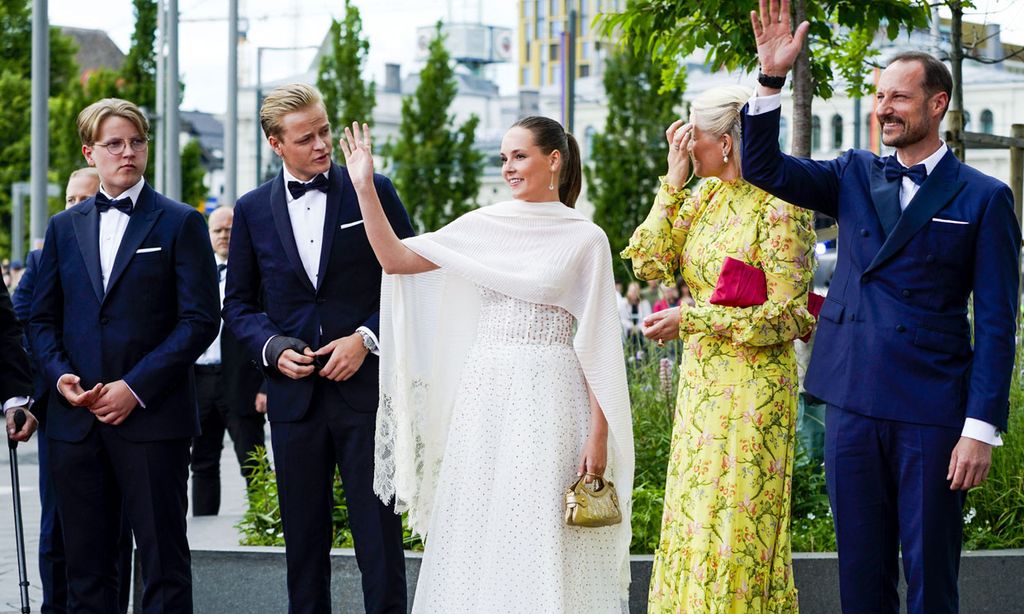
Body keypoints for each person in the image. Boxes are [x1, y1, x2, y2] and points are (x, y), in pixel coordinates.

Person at [741, 2, 1020, 612]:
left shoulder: (986, 197)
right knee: (860, 581)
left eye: (898, 97)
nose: (883, 109)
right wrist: (770, 79)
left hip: (932, 410)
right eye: (878, 96)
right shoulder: (852, 172)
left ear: (937, 104)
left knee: (931, 580)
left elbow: (998, 324)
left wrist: (981, 429)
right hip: (852, 400)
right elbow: (763, 167)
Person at [338, 116, 634, 613]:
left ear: (554, 160)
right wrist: (365, 186)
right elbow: (395, 260)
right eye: (503, 158)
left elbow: (599, 346)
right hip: (486, 398)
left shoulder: (587, 239)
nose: (509, 168)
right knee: (478, 530)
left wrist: (598, 434)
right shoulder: (483, 225)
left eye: (519, 156)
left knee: (540, 532)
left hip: (552, 403)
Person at [622, 84, 816, 612]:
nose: (688, 143)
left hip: (754, 394)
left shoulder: (781, 204)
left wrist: (695, 317)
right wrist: (673, 175)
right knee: (694, 520)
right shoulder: (704, 197)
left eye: (695, 136)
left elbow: (791, 314)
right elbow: (648, 262)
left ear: (727, 143)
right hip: (702, 385)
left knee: (738, 531)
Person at [222, 83, 413, 614]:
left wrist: (366, 339)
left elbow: (412, 279)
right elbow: (237, 304)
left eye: (325, 130)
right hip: (293, 400)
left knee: (379, 541)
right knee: (304, 545)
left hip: (366, 397)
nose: (323, 144)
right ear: (275, 144)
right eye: (307, 138)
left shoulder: (373, 188)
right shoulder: (253, 209)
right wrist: (272, 347)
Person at [28, 98, 220, 613]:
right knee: (86, 570)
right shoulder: (64, 228)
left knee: (163, 566)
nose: (128, 152)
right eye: (114, 144)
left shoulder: (181, 223)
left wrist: (134, 387)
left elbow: (200, 320)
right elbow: (42, 319)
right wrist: (61, 376)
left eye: (136, 142)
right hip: (77, 423)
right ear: (91, 153)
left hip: (154, 420)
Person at [13, 166, 134, 614]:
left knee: (118, 529)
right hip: (60, 408)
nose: (77, 208)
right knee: (57, 526)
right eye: (69, 200)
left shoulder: (128, 244)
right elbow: (25, 322)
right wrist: (40, 388)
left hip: (122, 405)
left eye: (86, 199)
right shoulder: (46, 254)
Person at [190, 206, 267, 516]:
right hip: (198, 380)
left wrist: (266, 384)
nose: (224, 236)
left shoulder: (258, 273)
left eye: (230, 230)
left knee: (253, 461)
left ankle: (266, 528)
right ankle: (203, 531)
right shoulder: (194, 273)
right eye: (218, 230)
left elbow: (269, 327)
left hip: (242, 382)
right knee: (202, 463)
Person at [619, 281, 652, 358]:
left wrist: (638, 327)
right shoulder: (623, 303)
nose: (634, 293)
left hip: (641, 333)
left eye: (636, 291)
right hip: (627, 333)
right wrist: (632, 327)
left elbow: (647, 318)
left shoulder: (644, 303)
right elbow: (622, 319)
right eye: (632, 291)